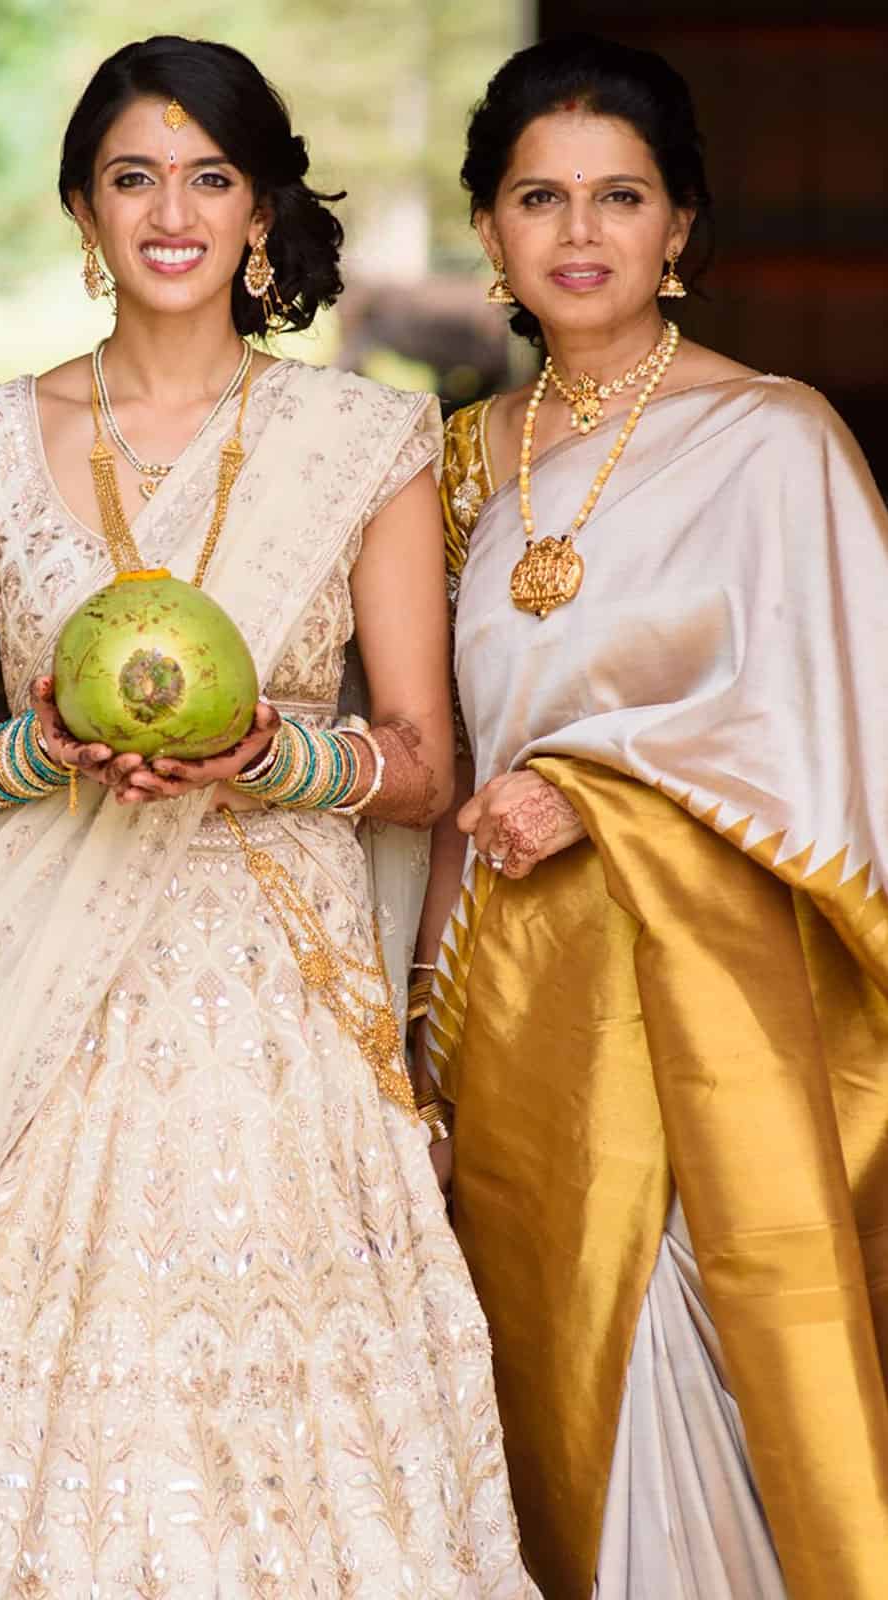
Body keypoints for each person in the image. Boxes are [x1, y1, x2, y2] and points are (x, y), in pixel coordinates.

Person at [0, 35, 537, 1600]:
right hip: (43, 1015)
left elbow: (418, 761)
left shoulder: (359, 442)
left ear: (261, 210)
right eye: (133, 176)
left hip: (279, 1015)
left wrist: (268, 763)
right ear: (80, 211)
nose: (172, 210)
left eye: (210, 176)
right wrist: (51, 751)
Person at [417, 32, 888, 1600]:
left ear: (679, 226)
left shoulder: (775, 441)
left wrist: (603, 791)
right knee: (531, 1393)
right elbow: (435, 748)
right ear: (486, 228)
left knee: (689, 1375)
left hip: (708, 1013)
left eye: (618, 197)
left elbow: (839, 737)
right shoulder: (456, 469)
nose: (577, 233)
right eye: (536, 197)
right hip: (505, 1007)